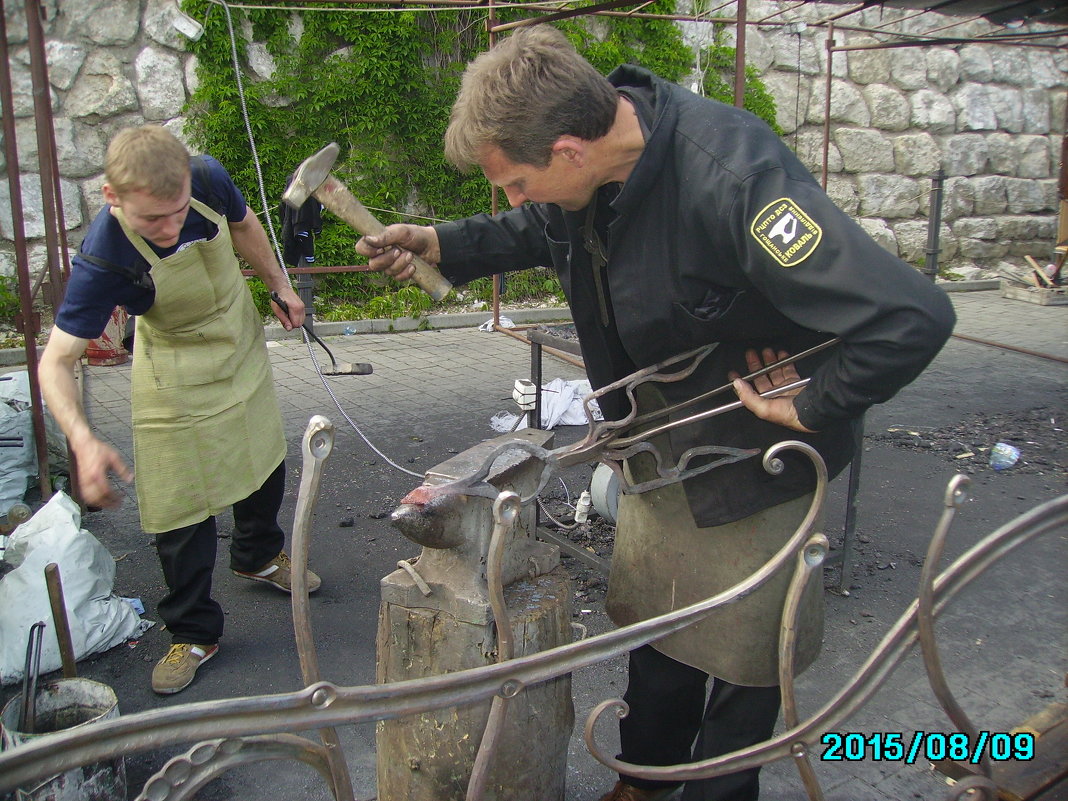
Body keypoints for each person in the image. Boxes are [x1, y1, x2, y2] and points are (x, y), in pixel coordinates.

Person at [356, 26, 955, 801]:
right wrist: (440, 242)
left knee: (743, 663)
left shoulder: (734, 178)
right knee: (659, 626)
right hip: (659, 450)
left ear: (570, 151)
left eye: (515, 181)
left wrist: (815, 403)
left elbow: (913, 317)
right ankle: (644, 779)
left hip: (757, 459)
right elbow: (539, 225)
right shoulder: (593, 162)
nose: (514, 197)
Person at [39, 125, 321, 696]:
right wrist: (83, 439)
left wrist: (279, 284)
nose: (169, 230)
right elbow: (55, 362)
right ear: (111, 197)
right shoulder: (104, 254)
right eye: (152, 221)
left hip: (236, 340)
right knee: (177, 503)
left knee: (262, 453)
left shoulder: (210, 178)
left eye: (175, 213)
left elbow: (244, 224)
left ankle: (259, 556)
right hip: (173, 363)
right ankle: (194, 633)